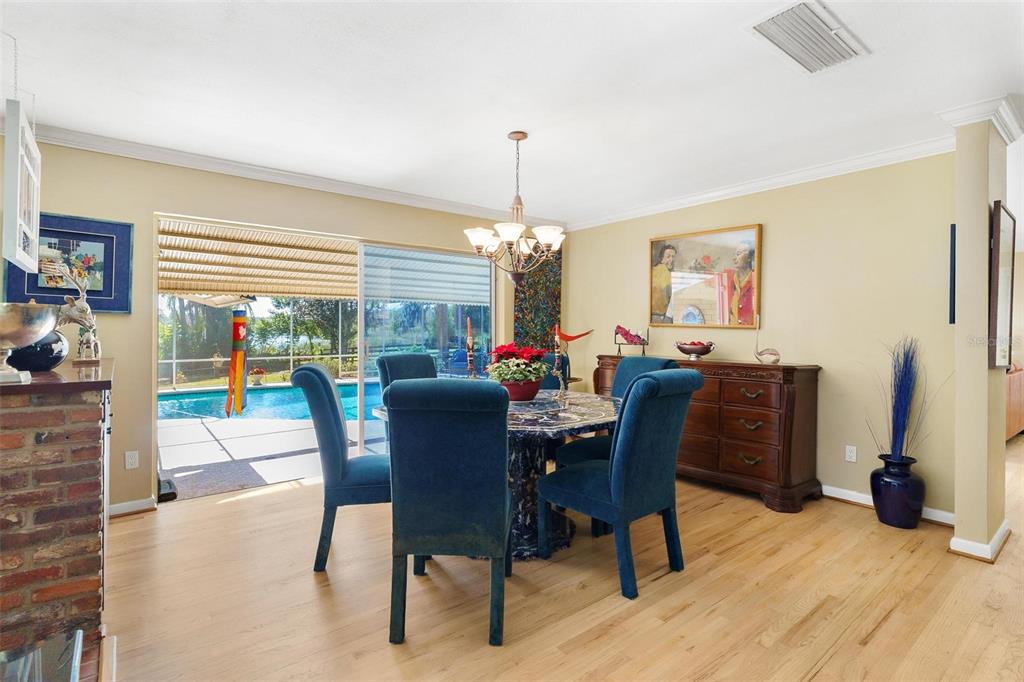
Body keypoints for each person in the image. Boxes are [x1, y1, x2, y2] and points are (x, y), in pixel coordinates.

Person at [723, 240, 756, 325]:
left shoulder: (756, 280)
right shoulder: (729, 279)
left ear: (749, 257)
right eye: (735, 254)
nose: (734, 258)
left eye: (738, 254)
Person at [650, 244, 676, 323]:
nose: (671, 259)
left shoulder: (651, 270)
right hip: (662, 318)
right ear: (661, 258)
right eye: (668, 257)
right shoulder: (666, 273)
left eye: (673, 257)